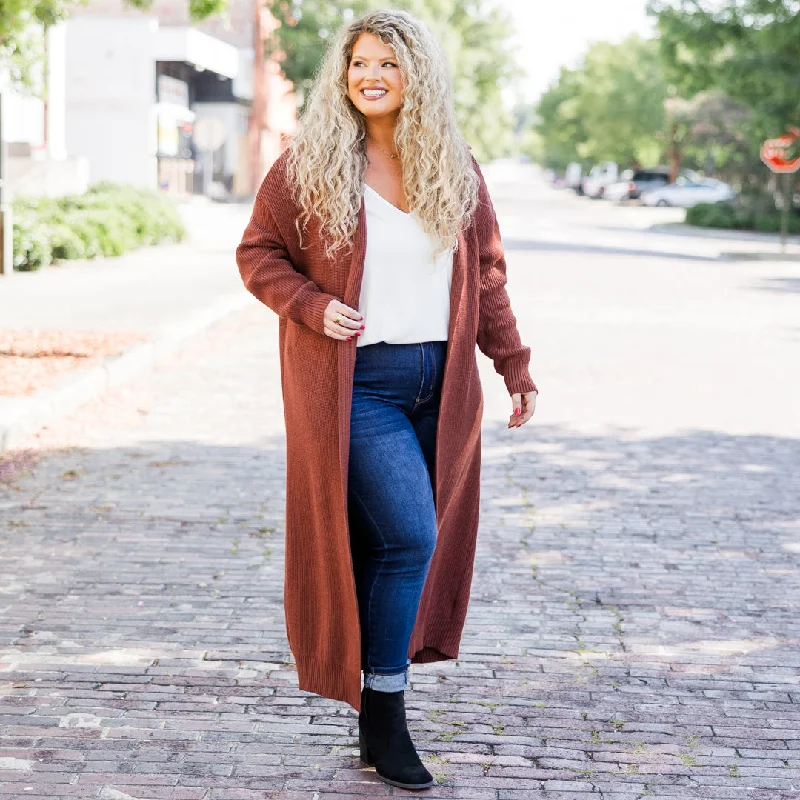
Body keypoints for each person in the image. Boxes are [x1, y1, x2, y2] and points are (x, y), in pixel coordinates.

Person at [236, 10, 537, 791]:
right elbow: (257, 251)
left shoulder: (454, 166)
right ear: (343, 75)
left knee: (395, 545)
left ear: (417, 77)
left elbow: (489, 274)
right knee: (408, 534)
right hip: (356, 386)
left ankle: (379, 708)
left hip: (443, 386)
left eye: (389, 64)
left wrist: (513, 364)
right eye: (359, 63)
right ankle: (386, 711)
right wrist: (308, 303)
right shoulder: (310, 167)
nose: (371, 75)